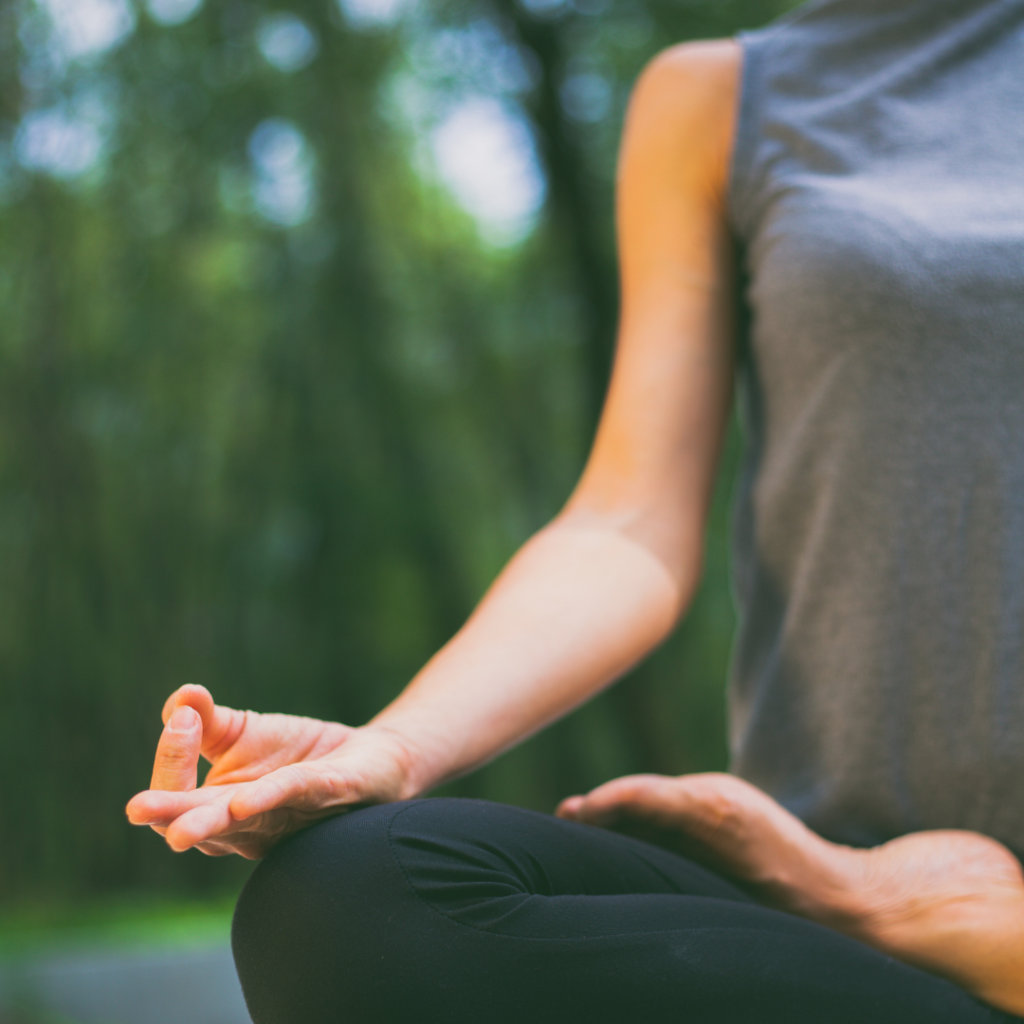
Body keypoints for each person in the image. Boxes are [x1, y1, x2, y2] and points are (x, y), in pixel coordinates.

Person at [127, 0, 1024, 1020]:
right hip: (830, 881)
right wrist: (399, 744)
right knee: (351, 895)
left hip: (961, 923)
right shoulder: (723, 98)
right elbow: (626, 523)